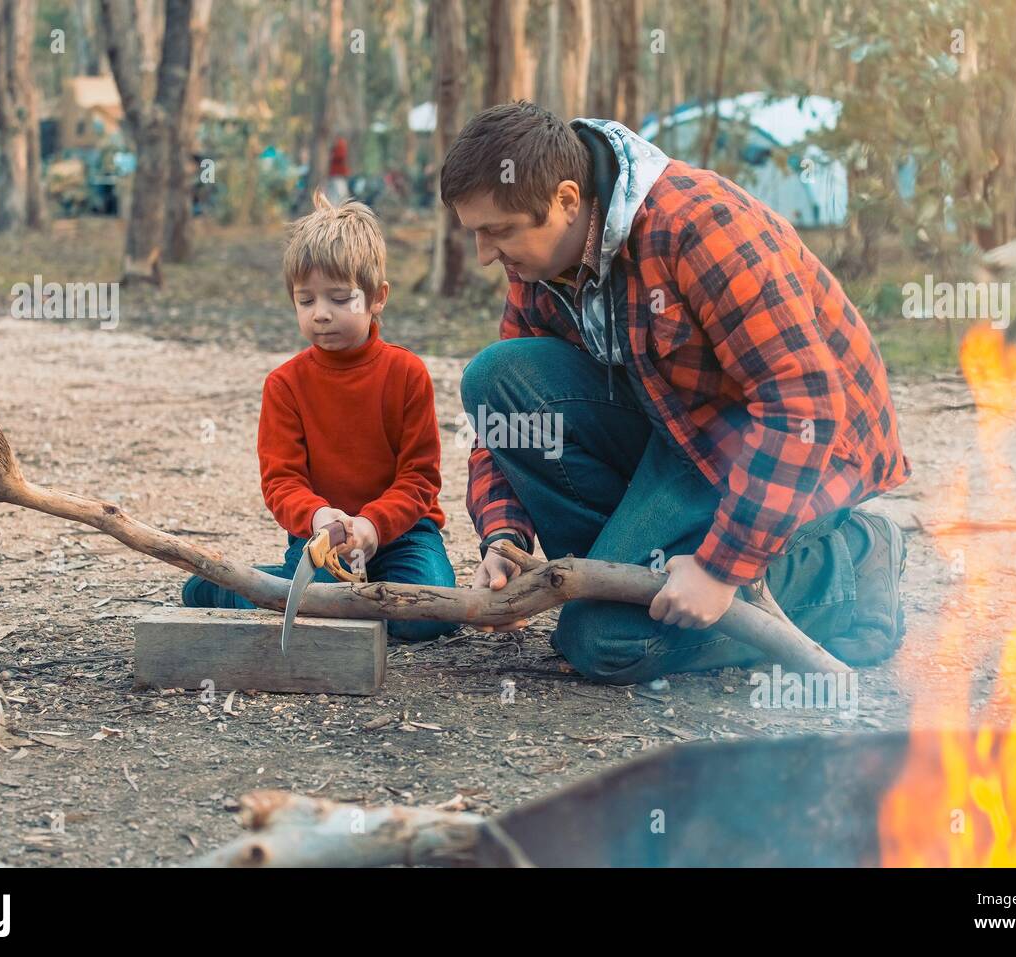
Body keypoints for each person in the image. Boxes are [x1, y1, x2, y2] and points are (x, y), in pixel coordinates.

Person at [443, 101, 912, 683]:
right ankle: (626, 579)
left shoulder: (700, 227)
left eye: (498, 232)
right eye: (477, 233)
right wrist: (505, 532)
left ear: (566, 201)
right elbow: (507, 414)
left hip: (797, 450)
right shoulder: (539, 261)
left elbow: (802, 403)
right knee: (496, 377)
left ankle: (851, 566)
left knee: (605, 642)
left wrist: (721, 568)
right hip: (683, 437)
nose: (486, 254)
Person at [182, 190, 457, 641]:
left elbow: (420, 478)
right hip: (321, 537)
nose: (321, 315)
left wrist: (372, 524)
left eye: (339, 298)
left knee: (428, 617)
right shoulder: (285, 385)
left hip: (404, 532)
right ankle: (232, 587)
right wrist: (319, 518)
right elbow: (281, 482)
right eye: (306, 301)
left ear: (377, 298)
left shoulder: (406, 373)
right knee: (316, 611)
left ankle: (279, 587)